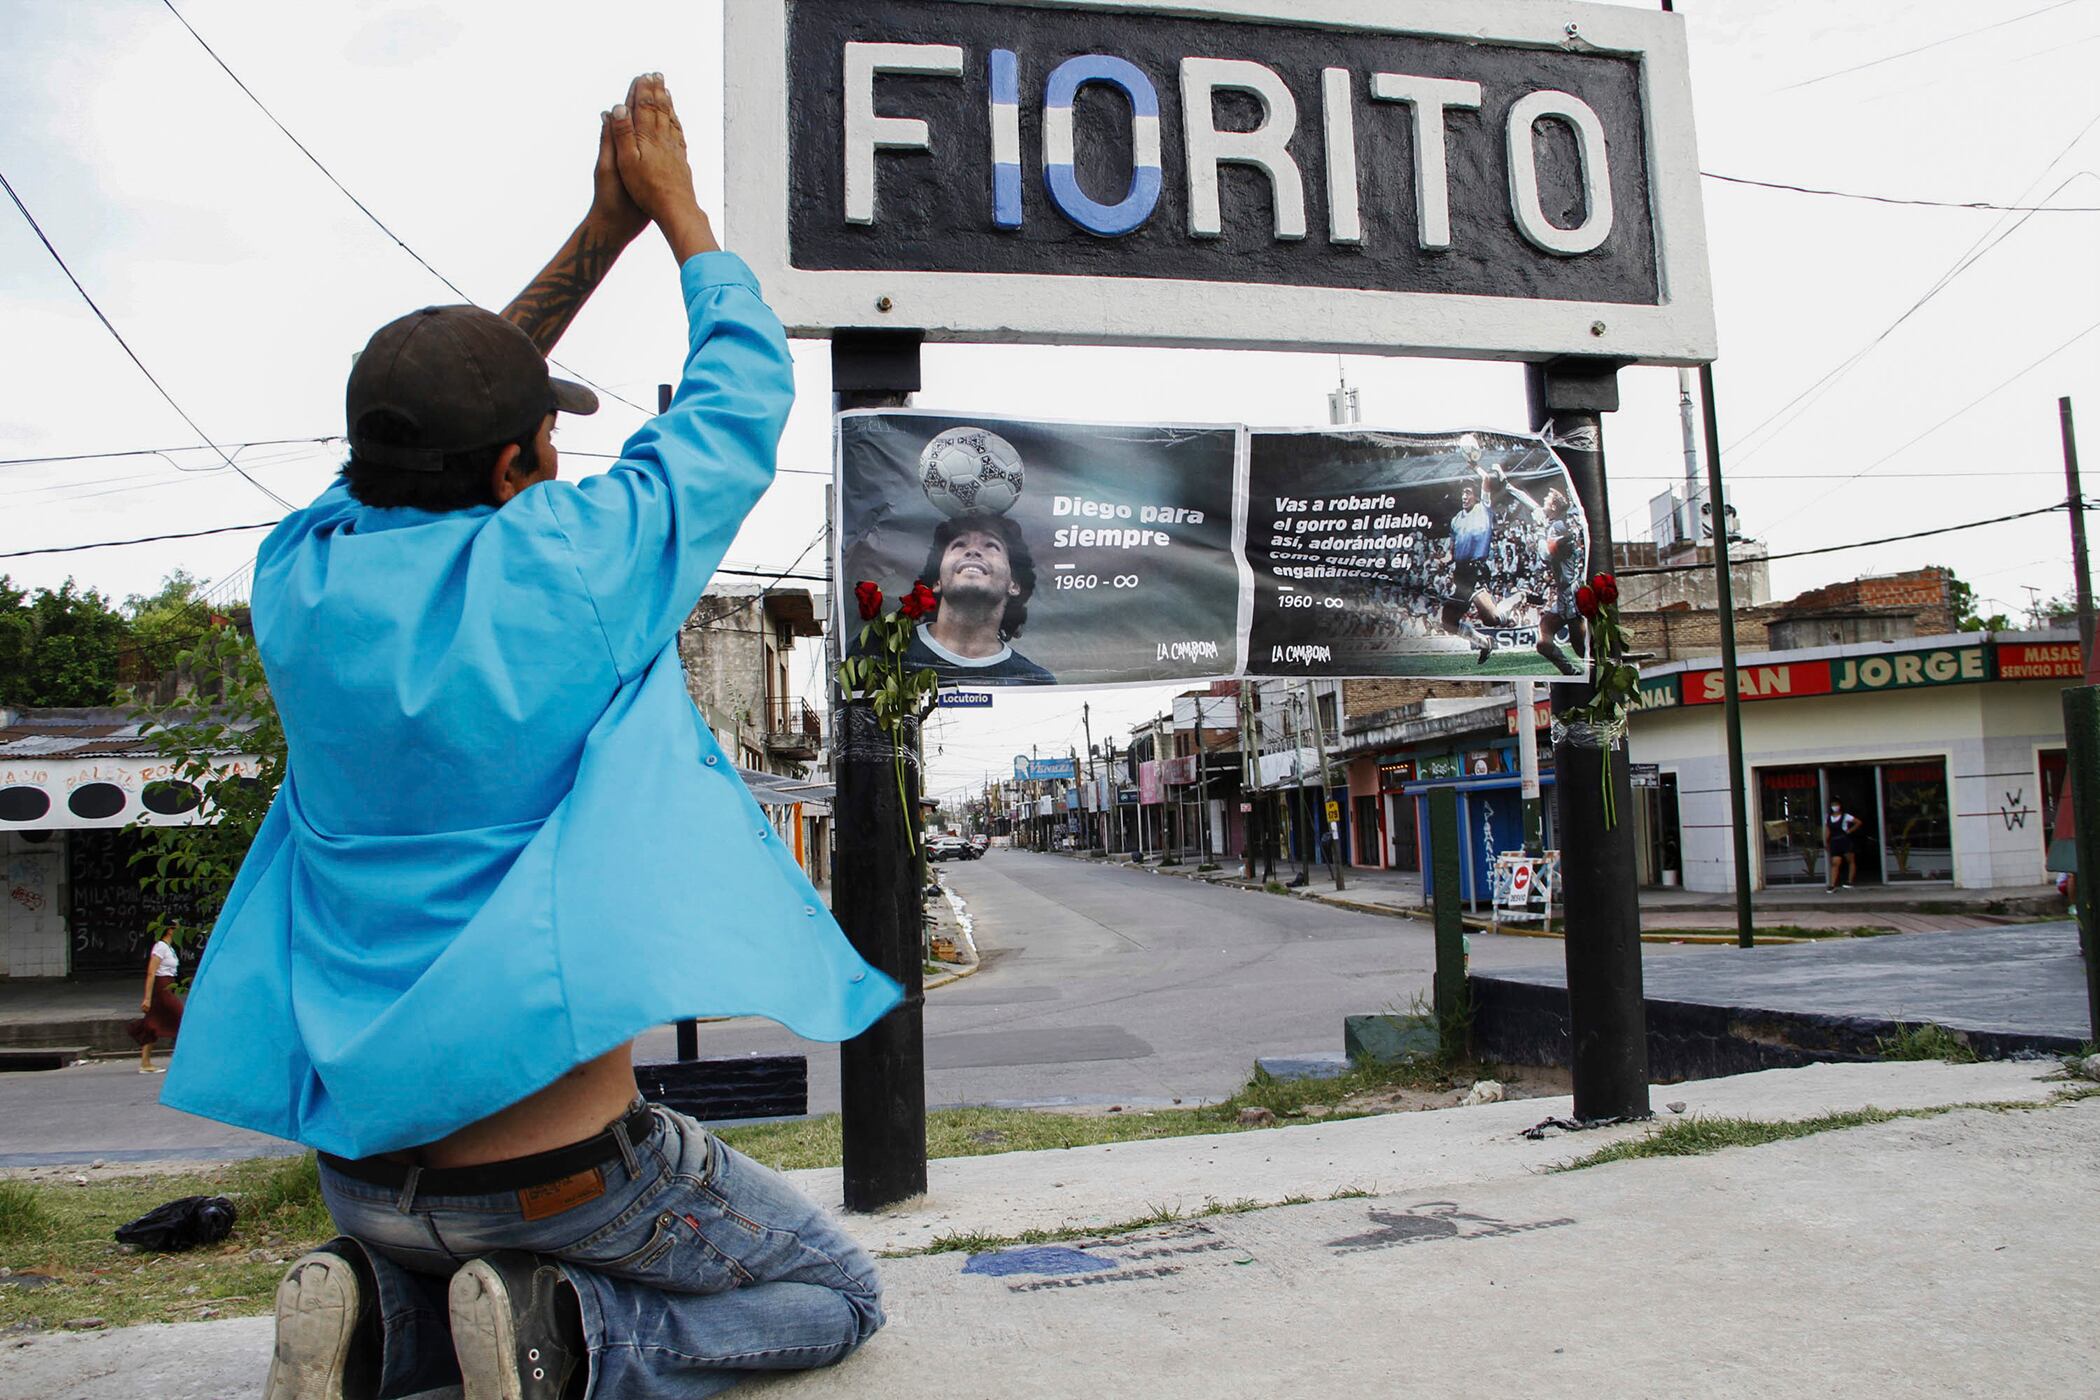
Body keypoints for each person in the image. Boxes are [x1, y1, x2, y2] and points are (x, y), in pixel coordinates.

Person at [162, 76, 900, 1400]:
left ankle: (382, 1320)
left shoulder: (299, 582)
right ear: (516, 468)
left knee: (443, 1261)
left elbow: (415, 426)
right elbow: (740, 393)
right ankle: (579, 1344)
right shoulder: (575, 564)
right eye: (546, 433)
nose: (559, 452)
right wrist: (673, 210)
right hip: (560, 1184)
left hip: (362, 1179)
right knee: (837, 1292)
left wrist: (593, 234)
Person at [904, 513, 1054, 684]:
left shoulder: (1035, 684)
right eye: (959, 544)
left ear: (1014, 585)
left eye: (991, 545)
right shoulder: (883, 655)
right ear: (937, 581)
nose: (973, 551)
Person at [1438, 482, 1519, 665]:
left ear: (1476, 496)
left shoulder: (1483, 509)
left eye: (1468, 492)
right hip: (1461, 573)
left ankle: (1518, 597)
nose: (1464, 497)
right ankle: (1484, 643)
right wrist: (1444, 560)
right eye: (1462, 493)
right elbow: (1451, 551)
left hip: (1477, 570)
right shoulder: (1456, 520)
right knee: (1449, 622)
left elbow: (1487, 483)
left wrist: (1474, 464)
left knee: (1492, 619)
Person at [1532, 487, 1585, 676]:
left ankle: (1585, 673)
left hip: (1570, 594)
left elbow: (1546, 554)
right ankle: (1573, 671)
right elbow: (1530, 503)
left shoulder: (1558, 527)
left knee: (1581, 649)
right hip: (1565, 593)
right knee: (1544, 635)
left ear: (1553, 506)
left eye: (1546, 500)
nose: (1542, 501)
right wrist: (1507, 485)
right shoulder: (1557, 524)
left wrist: (1538, 530)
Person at [132, 929, 184, 1074]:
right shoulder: (160, 947)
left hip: (169, 985)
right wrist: (147, 998)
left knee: (152, 1023)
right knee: (181, 1016)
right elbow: (151, 972)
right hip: (162, 988)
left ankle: (145, 1062)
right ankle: (184, 1057)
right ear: (170, 930)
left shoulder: (169, 948)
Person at [1825, 800, 1863, 891]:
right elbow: (1827, 830)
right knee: (1835, 862)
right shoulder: (1828, 817)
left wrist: (1849, 831)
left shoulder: (1845, 816)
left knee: (1850, 860)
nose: (1835, 807)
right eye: (1833, 805)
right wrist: (1826, 841)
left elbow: (1858, 822)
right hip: (1834, 841)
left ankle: (1850, 880)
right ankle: (1832, 884)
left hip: (1844, 840)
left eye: (1836, 805)